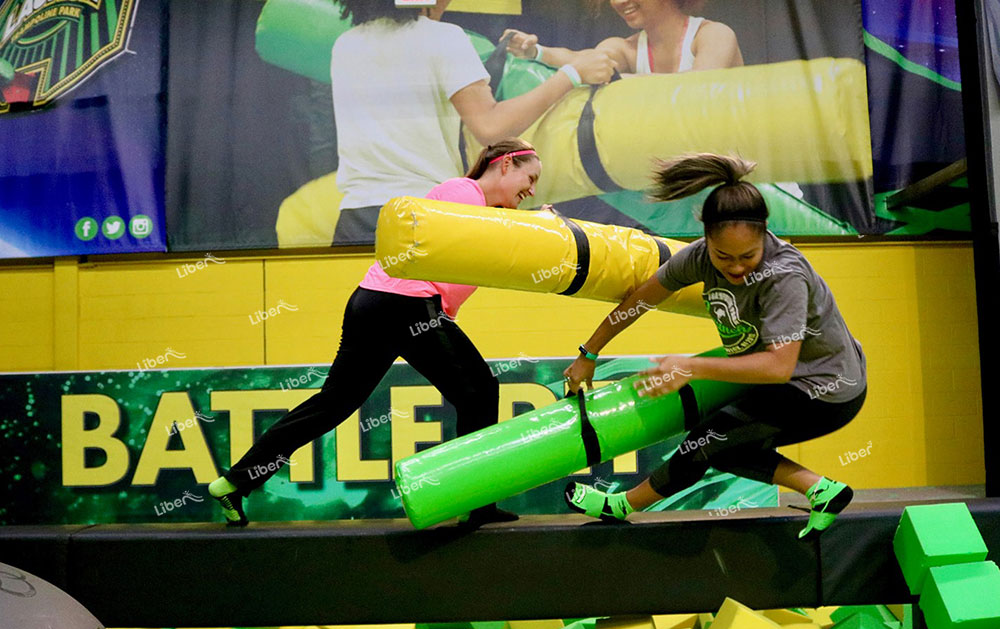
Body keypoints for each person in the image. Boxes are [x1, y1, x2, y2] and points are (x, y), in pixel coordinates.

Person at [208, 140, 544, 527]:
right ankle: (477, 502)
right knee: (480, 391)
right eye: (529, 177)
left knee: (332, 404)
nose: (531, 190)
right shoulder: (462, 191)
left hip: (376, 304)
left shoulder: (482, 209)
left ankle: (235, 482)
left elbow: (489, 247)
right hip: (406, 304)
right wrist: (540, 225)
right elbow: (484, 237)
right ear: (504, 166)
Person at [562, 153, 867, 539]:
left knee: (706, 441)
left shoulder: (784, 276)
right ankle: (823, 490)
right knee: (720, 446)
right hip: (791, 382)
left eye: (748, 256)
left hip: (826, 389)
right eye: (724, 256)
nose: (737, 268)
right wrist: (588, 353)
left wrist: (691, 366)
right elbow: (641, 300)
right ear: (706, 238)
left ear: (765, 235)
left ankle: (622, 505)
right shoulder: (699, 259)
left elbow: (779, 367)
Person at [328, 0, 615, 243]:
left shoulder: (346, 44)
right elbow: (490, 128)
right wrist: (571, 75)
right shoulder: (443, 38)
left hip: (355, 219)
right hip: (426, 214)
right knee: (433, 310)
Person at [502, 0, 742, 77]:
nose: (618, 2)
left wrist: (623, 80)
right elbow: (580, 58)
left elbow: (697, 90)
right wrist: (536, 52)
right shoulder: (625, 48)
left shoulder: (714, 35)